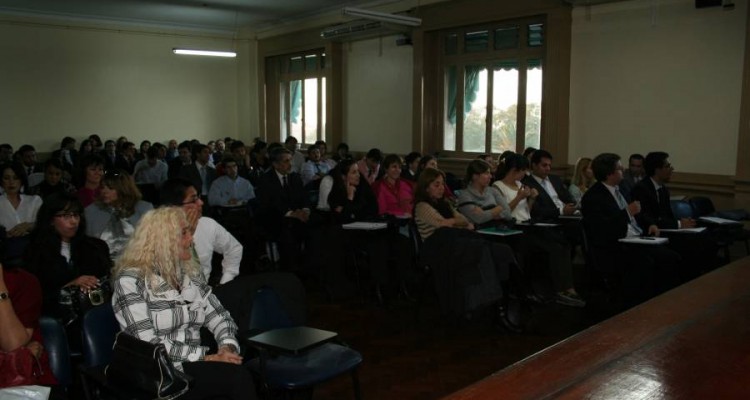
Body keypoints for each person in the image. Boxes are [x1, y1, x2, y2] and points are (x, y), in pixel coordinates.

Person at [111, 207, 256, 400]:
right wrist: (207, 357)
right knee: (238, 379)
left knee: (237, 372)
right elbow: (149, 345)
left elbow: (220, 316)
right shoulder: (130, 281)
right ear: (162, 241)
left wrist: (226, 346)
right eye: (184, 233)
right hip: (158, 374)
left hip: (192, 364)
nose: (191, 238)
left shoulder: (189, 274)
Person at [413, 168, 519, 329]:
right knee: (480, 250)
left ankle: (507, 296)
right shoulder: (422, 206)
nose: (441, 188)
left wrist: (456, 222)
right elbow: (444, 224)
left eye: (442, 184)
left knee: (500, 250)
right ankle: (493, 305)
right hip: (439, 250)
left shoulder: (445, 203)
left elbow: (463, 220)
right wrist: (457, 222)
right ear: (426, 187)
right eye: (436, 185)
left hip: (456, 243)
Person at [581, 153, 682, 306]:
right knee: (647, 262)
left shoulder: (619, 189)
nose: (623, 170)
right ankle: (642, 306)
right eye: (620, 169)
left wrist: (649, 224)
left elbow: (638, 213)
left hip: (634, 239)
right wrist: (627, 212)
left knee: (672, 256)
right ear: (610, 174)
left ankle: (664, 302)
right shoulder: (593, 197)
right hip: (614, 247)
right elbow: (602, 230)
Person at [493, 154, 585, 307]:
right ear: (515, 170)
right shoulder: (498, 186)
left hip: (528, 223)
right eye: (523, 171)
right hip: (515, 227)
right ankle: (559, 290)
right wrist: (520, 197)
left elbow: (526, 211)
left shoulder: (519, 184)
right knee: (554, 247)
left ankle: (567, 288)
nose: (525, 175)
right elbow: (505, 213)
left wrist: (531, 199)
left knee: (563, 244)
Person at [25, 192, 112, 317]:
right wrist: (69, 286)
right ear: (50, 220)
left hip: (95, 312)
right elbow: (36, 296)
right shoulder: (35, 252)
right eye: (65, 216)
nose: (73, 221)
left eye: (76, 215)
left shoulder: (96, 247)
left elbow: (106, 282)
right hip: (56, 317)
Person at [0, 258, 57, 390]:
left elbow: (13, 344)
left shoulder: (22, 281)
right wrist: (16, 357)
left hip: (22, 384)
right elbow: (17, 352)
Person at [256, 147, 309, 270]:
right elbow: (270, 204)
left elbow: (303, 197)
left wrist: (305, 210)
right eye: (286, 161)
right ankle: (289, 269)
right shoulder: (266, 180)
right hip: (275, 218)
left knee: (317, 226)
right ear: (275, 164)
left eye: (290, 160)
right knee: (288, 231)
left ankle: (308, 265)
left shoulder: (295, 177)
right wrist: (291, 213)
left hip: (297, 216)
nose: (290, 164)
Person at [84, 170, 153, 259]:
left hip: (137, 263)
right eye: (102, 187)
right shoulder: (91, 211)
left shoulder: (144, 208)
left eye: (110, 188)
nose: (104, 191)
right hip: (103, 264)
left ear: (123, 189)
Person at [522, 149, 577, 221]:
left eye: (549, 165)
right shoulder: (527, 183)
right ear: (534, 165)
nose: (548, 168)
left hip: (568, 216)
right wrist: (561, 211)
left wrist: (572, 207)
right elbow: (536, 211)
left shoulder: (555, 179)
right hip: (550, 221)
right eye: (544, 165)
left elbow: (568, 198)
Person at [456, 159, 512, 228]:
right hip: (477, 234)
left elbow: (508, 214)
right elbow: (478, 219)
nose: (490, 176)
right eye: (486, 173)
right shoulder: (464, 195)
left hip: (498, 231)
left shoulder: (493, 191)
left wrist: (484, 212)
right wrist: (497, 209)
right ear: (475, 176)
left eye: (490, 173)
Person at [0, 163, 43, 240]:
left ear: (22, 180)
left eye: (15, 178)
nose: (11, 182)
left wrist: (29, 226)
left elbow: (46, 225)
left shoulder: (34, 201)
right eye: (6, 178)